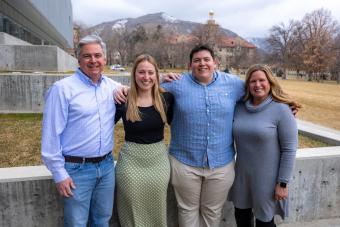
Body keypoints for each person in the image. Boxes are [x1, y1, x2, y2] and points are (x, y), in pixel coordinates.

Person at [41, 35, 123, 227]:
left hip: (106, 166)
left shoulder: (111, 87)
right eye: (87, 56)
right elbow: (51, 134)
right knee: (76, 223)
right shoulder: (62, 89)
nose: (93, 61)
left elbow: (143, 85)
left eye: (97, 55)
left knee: (102, 220)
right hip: (77, 170)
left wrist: (166, 79)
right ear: (79, 59)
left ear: (105, 59)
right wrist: (59, 173)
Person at [161, 45, 244, 227]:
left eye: (206, 59)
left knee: (212, 212)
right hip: (184, 162)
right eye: (197, 60)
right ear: (190, 64)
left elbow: (260, 91)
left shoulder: (234, 84)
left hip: (221, 164)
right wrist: (160, 77)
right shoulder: (177, 83)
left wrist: (285, 107)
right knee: (187, 210)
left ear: (215, 62)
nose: (202, 63)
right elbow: (143, 85)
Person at [228, 64, 300, 227]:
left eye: (262, 80)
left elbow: (289, 150)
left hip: (268, 179)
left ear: (270, 83)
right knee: (241, 217)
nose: (257, 85)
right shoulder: (239, 107)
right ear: (247, 85)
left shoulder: (282, 110)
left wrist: (283, 183)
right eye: (253, 81)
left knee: (265, 222)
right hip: (242, 176)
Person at [114, 54, 174, 227]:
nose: (146, 77)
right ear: (134, 74)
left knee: (157, 208)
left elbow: (178, 124)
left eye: (150, 72)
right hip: (130, 164)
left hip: (158, 163)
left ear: (156, 75)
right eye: (141, 72)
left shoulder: (166, 99)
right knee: (132, 210)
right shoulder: (123, 99)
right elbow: (103, 125)